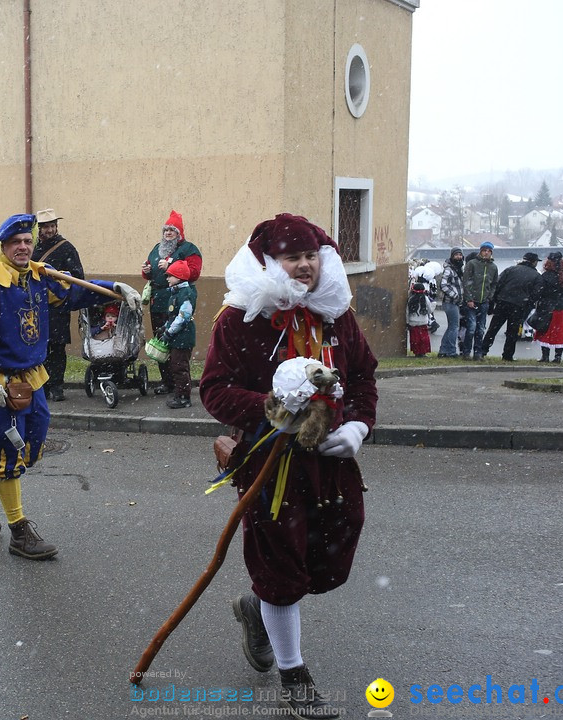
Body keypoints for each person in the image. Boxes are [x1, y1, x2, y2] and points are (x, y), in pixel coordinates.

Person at [199, 214, 377, 720]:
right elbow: (214, 390)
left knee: (327, 552)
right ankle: (294, 674)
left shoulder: (335, 313)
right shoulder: (240, 318)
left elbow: (363, 377)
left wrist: (358, 427)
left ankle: (260, 608)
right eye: (290, 257)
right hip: (270, 467)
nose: (302, 266)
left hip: (332, 467)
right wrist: (274, 408)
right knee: (280, 563)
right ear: (267, 262)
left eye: (310, 256)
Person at [0, 213, 140, 560]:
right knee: (9, 454)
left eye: (28, 241)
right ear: (4, 247)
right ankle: (19, 532)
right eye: (16, 242)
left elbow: (75, 294)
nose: (23, 247)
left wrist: (113, 289)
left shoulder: (39, 276)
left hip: (32, 380)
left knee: (32, 449)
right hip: (1, 385)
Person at [141, 210, 202, 395]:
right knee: (160, 342)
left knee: (176, 345)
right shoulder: (157, 248)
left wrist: (172, 268)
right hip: (157, 300)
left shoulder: (189, 249)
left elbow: (195, 272)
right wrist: (146, 270)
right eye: (166, 230)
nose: (168, 233)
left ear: (179, 233)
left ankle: (180, 386)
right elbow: (148, 271)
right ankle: (166, 382)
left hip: (177, 301)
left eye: (172, 230)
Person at [31, 209, 84, 402]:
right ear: (40, 229)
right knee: (39, 348)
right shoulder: (33, 249)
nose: (50, 230)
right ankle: (42, 386)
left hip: (57, 306)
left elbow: (78, 276)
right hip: (36, 307)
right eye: (46, 227)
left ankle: (57, 386)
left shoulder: (66, 248)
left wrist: (59, 278)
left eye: (53, 226)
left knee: (57, 347)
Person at [478, 252, 541, 362]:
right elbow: (536, 294)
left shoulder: (510, 269)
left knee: (493, 329)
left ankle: (482, 351)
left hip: (503, 302)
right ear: (534, 262)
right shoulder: (536, 276)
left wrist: (495, 301)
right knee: (512, 333)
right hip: (519, 305)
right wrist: (527, 304)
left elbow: (498, 284)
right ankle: (507, 355)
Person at [155, 260, 197, 408]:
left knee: (179, 367)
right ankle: (180, 394)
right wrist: (164, 327)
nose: (167, 279)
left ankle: (184, 398)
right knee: (176, 365)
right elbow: (173, 317)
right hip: (178, 337)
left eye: (170, 276)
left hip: (183, 337)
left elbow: (183, 317)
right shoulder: (176, 293)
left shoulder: (186, 293)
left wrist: (169, 332)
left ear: (178, 277)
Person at [534, 251, 563, 363]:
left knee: (545, 331)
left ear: (549, 262)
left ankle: (545, 356)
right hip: (562, 307)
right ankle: (558, 357)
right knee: (560, 332)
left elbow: (540, 292)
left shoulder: (545, 276)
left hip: (548, 308)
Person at [461, 241, 498, 360]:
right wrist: (469, 298)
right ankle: (466, 352)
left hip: (484, 301)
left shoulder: (493, 267)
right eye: (484, 250)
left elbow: (494, 284)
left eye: (488, 251)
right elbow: (466, 282)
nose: (486, 253)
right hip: (472, 301)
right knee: (471, 328)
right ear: (480, 251)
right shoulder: (472, 264)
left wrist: (489, 296)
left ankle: (478, 353)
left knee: (480, 329)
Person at [436, 248, 464, 358]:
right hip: (450, 302)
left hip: (455, 302)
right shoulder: (449, 269)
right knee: (454, 327)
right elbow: (443, 285)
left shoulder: (458, 268)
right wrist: (455, 295)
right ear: (452, 256)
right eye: (456, 255)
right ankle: (451, 351)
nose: (458, 257)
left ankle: (443, 350)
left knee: (451, 327)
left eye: (460, 255)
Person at [406, 280, 432, 357]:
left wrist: (407, 322)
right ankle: (423, 352)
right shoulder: (425, 298)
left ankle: (416, 352)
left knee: (415, 338)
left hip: (412, 321)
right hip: (423, 321)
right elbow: (430, 310)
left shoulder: (410, 299)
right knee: (423, 338)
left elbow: (407, 312)